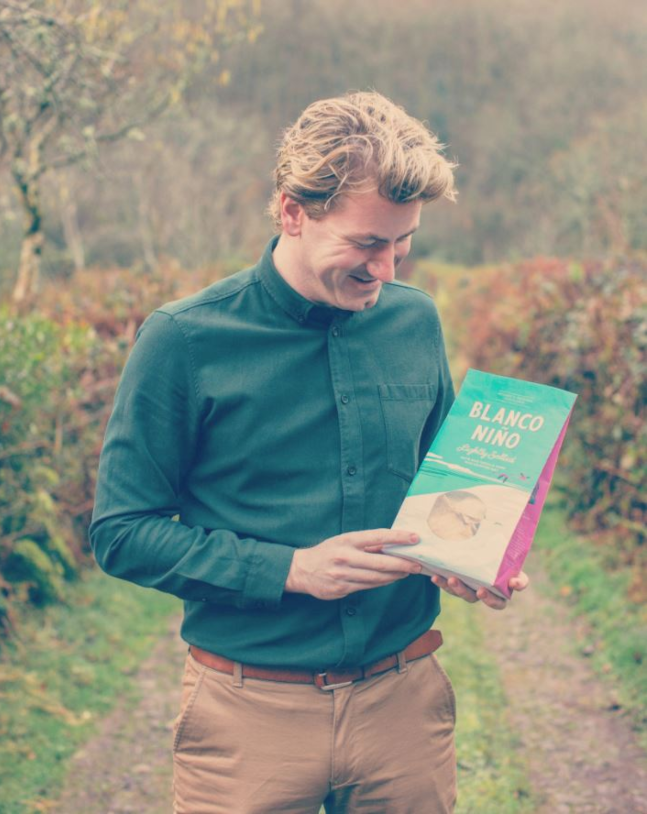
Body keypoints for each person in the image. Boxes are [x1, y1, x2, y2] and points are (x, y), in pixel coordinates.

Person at [90, 91, 528, 814]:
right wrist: (292, 569)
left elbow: (444, 487)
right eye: (365, 244)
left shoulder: (416, 321)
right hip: (247, 715)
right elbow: (121, 533)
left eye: (403, 242)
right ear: (293, 211)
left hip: (404, 710)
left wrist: (477, 559)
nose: (386, 268)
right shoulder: (183, 340)